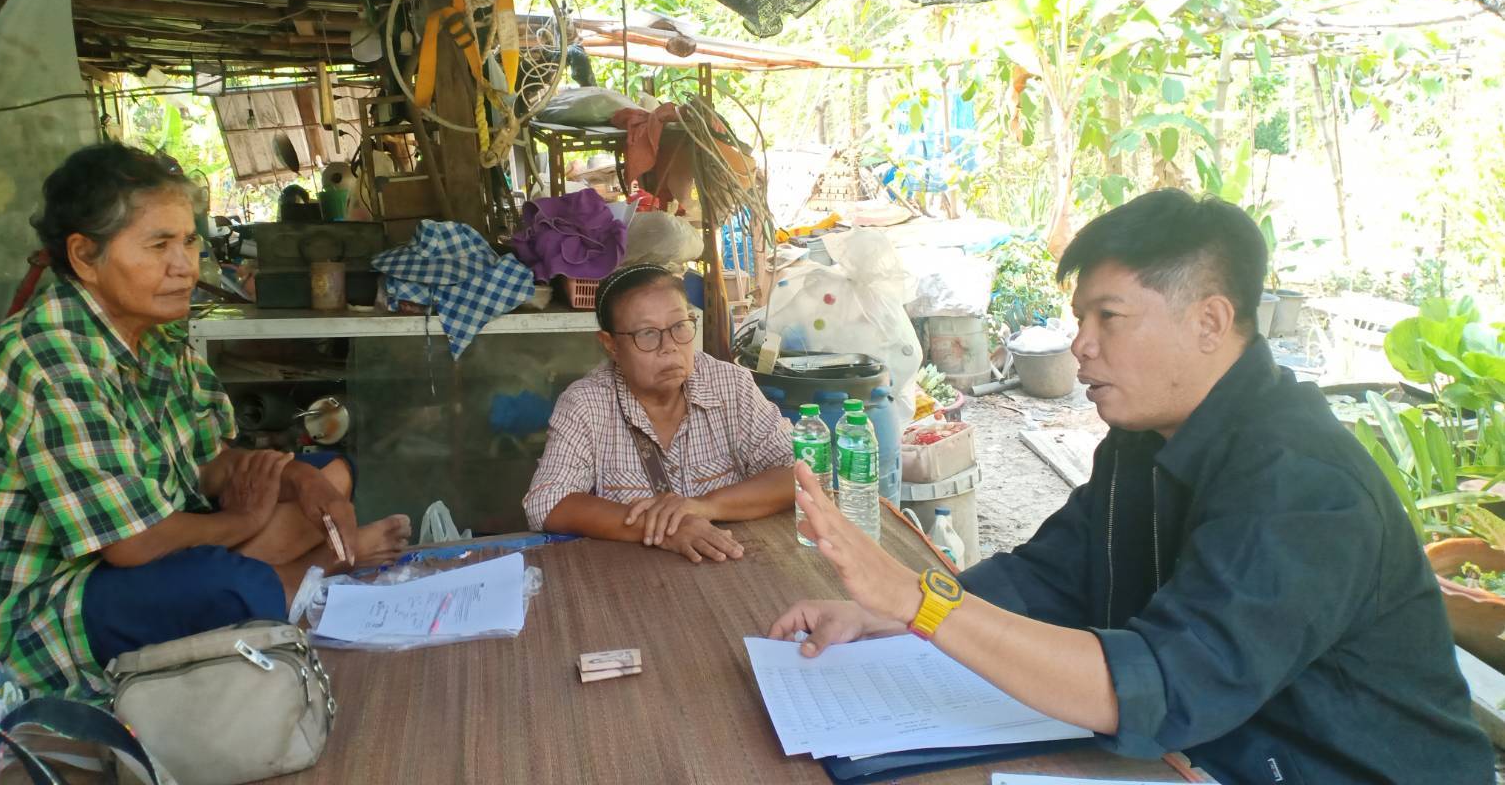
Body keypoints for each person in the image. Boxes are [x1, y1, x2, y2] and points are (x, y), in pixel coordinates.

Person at [771, 190, 1492, 784]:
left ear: (1210, 321)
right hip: (1197, 758)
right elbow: (1045, 577)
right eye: (1080, 317)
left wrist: (918, 600)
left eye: (1108, 317)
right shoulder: (1145, 442)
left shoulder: (1302, 485)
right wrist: (886, 621)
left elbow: (1165, 685)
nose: (1080, 342)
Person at [0, 142, 411, 699]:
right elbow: (133, 544)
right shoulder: (48, 357)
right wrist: (242, 522)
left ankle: (299, 572)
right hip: (30, 617)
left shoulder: (158, 335)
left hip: (140, 548)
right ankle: (311, 575)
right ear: (84, 257)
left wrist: (301, 480)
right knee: (217, 584)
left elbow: (212, 463)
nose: (185, 265)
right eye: (159, 245)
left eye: (190, 241)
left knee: (331, 470)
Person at [523, 263, 794, 562]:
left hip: (730, 564)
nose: (669, 348)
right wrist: (662, 528)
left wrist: (702, 507)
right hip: (632, 582)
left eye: (680, 326)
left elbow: (798, 474)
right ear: (610, 344)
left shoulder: (731, 385)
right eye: (647, 334)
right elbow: (547, 503)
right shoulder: (586, 404)